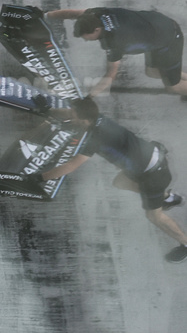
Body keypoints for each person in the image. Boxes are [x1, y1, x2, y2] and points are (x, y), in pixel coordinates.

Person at [34, 96, 187, 262]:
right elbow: (70, 115)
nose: (70, 114)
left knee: (154, 216)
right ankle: (168, 198)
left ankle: (185, 244)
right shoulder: (98, 118)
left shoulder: (94, 139)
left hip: (153, 175)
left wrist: (40, 177)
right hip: (151, 160)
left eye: (74, 114)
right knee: (120, 182)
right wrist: (48, 110)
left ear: (85, 120)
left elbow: (71, 165)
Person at [45, 6, 186, 96]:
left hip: (169, 39)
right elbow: (73, 13)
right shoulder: (96, 14)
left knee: (172, 87)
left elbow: (110, 75)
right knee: (152, 72)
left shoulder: (115, 42)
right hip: (157, 26)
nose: (86, 41)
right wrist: (46, 15)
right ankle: (176, 74)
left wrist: (88, 98)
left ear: (97, 30)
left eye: (88, 38)